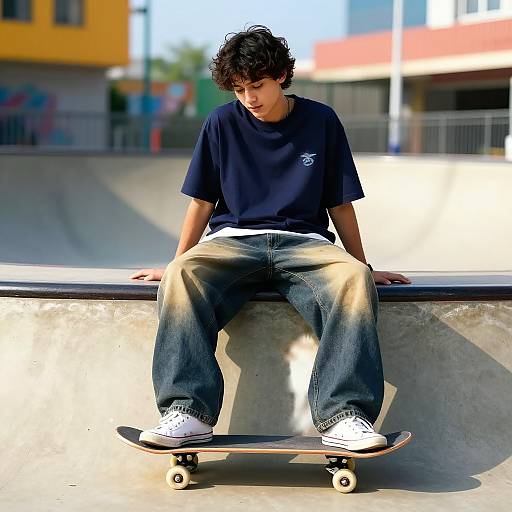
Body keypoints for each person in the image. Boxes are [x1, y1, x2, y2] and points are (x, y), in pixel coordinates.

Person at [130, 25, 411, 452]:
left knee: (354, 279)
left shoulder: (321, 121)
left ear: (281, 75)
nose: (250, 99)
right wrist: (176, 263)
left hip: (305, 243)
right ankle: (188, 411)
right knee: (181, 277)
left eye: (257, 86)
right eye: (240, 90)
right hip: (234, 240)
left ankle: (345, 415)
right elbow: (202, 202)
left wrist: (363, 265)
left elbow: (340, 203)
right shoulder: (221, 122)